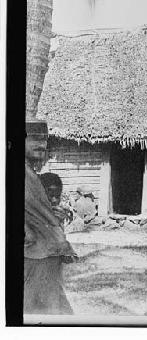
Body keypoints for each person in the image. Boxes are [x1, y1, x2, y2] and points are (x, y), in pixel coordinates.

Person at [24, 119, 77, 315]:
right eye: (35, 139)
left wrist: (55, 219)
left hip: (43, 258)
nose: (42, 144)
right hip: (34, 257)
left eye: (45, 140)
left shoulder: (32, 176)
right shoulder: (22, 175)